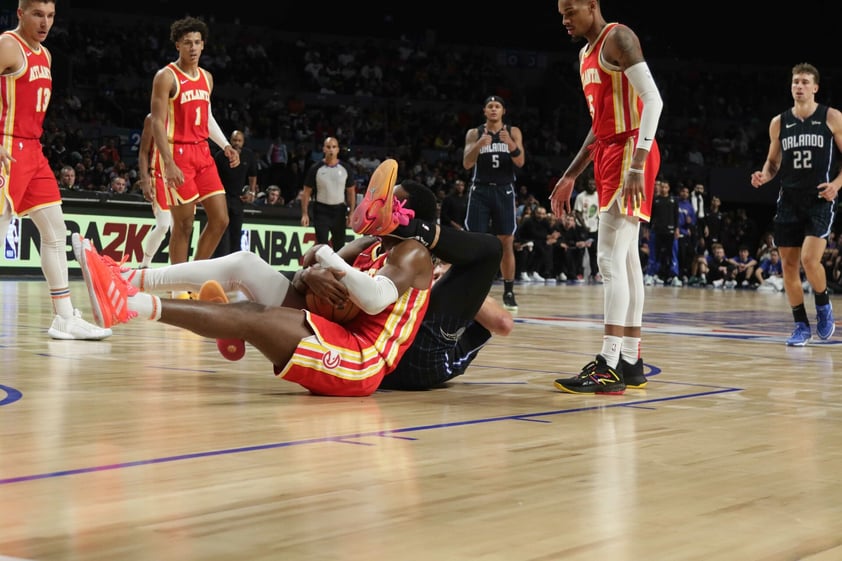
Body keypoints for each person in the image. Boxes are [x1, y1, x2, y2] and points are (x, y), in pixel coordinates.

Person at [72, 177, 436, 398]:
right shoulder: (370, 245)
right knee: (245, 262)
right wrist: (311, 274)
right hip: (336, 327)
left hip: (361, 359)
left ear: (406, 213)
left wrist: (327, 256)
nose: (378, 204)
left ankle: (130, 305)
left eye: (390, 200)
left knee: (247, 315)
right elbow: (302, 273)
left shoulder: (414, 253)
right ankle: (127, 278)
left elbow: (374, 300)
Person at [550, 0, 664, 394]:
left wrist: (639, 162)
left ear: (591, 6)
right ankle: (631, 360)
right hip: (610, 151)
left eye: (570, 11)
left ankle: (608, 363)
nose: (564, 19)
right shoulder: (584, 54)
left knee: (609, 260)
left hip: (632, 150)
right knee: (628, 260)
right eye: (561, 13)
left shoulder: (618, 37)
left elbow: (654, 100)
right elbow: (599, 127)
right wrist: (570, 175)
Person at [0, 0, 110, 340]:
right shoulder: (7, 45)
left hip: (33, 150)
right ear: (20, 13)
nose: (45, 22)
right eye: (37, 14)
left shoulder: (46, 56)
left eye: (50, 16)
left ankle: (64, 317)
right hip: (6, 146)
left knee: (55, 232)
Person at [751, 62, 841, 346]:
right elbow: (773, 161)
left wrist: (836, 185)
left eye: (804, 82)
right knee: (788, 266)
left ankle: (824, 305)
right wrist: (764, 175)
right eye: (795, 82)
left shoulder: (832, 117)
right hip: (788, 200)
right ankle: (801, 325)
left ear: (815, 87)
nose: (799, 86)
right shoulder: (779, 122)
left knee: (809, 260)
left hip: (818, 199)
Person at [149, 16, 239, 268]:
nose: (193, 47)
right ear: (177, 45)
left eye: (197, 42)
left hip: (202, 152)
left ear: (203, 45)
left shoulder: (207, 78)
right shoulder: (166, 76)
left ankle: (194, 274)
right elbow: (157, 122)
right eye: (187, 42)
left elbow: (206, 116)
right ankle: (178, 286)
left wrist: (225, 145)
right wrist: (168, 163)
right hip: (176, 152)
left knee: (221, 219)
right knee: (184, 224)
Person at [463, 95, 525, 313]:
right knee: (475, 241)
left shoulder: (513, 132)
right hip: (480, 190)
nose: (493, 109)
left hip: (504, 190)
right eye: (489, 106)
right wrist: (479, 145)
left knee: (506, 241)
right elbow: (467, 163)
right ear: (484, 111)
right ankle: (473, 289)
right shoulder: (474, 133)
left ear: (503, 111)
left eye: (497, 106)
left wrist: (509, 144)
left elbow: (520, 161)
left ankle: (508, 291)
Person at [300, 136, 356, 251]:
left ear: (338, 149)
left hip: (339, 211)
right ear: (324, 149)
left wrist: (351, 213)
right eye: (329, 147)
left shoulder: (345, 168)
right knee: (323, 247)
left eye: (334, 147)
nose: (331, 150)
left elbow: (351, 192)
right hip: (321, 211)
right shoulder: (316, 168)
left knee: (339, 247)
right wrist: (304, 214)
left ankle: (337, 269)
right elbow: (306, 193)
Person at [212, 129, 258, 257]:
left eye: (239, 140)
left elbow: (253, 175)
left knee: (236, 232)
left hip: (238, 198)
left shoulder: (248, 156)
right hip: (222, 197)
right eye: (234, 140)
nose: (237, 143)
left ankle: (234, 261)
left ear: (243, 142)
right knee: (222, 231)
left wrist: (252, 192)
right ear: (230, 141)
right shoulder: (220, 155)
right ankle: (221, 260)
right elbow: (213, 176)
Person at [137, 113, 172, 269]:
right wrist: (145, 181)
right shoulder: (152, 118)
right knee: (163, 225)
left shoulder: (182, 116)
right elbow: (144, 152)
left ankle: (178, 269)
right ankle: (145, 264)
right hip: (158, 175)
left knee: (179, 227)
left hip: (179, 176)